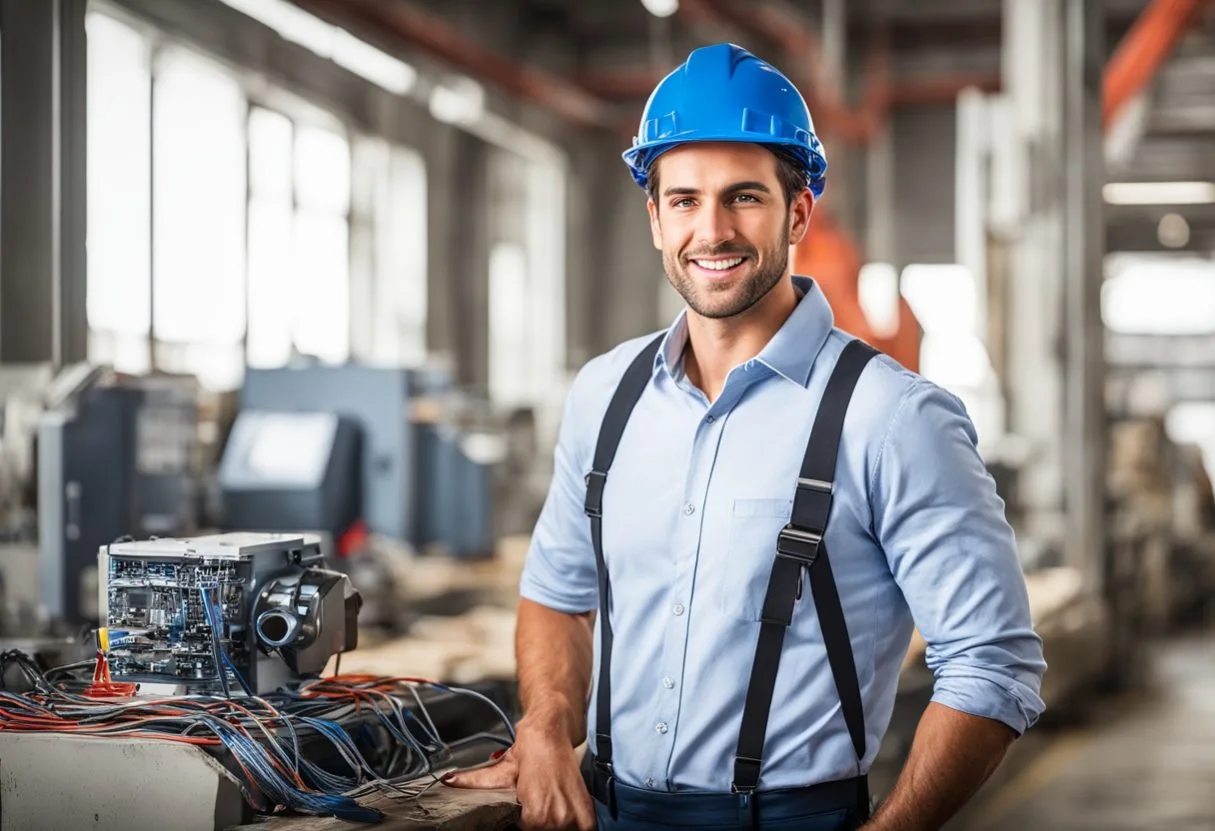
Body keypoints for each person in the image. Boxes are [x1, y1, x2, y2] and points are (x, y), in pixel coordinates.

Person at [446, 42, 1046, 831]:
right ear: (655, 217)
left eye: (744, 198)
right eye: (685, 200)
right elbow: (557, 594)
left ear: (797, 211)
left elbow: (991, 665)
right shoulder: (604, 395)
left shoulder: (890, 417)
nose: (713, 229)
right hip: (605, 811)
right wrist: (547, 724)